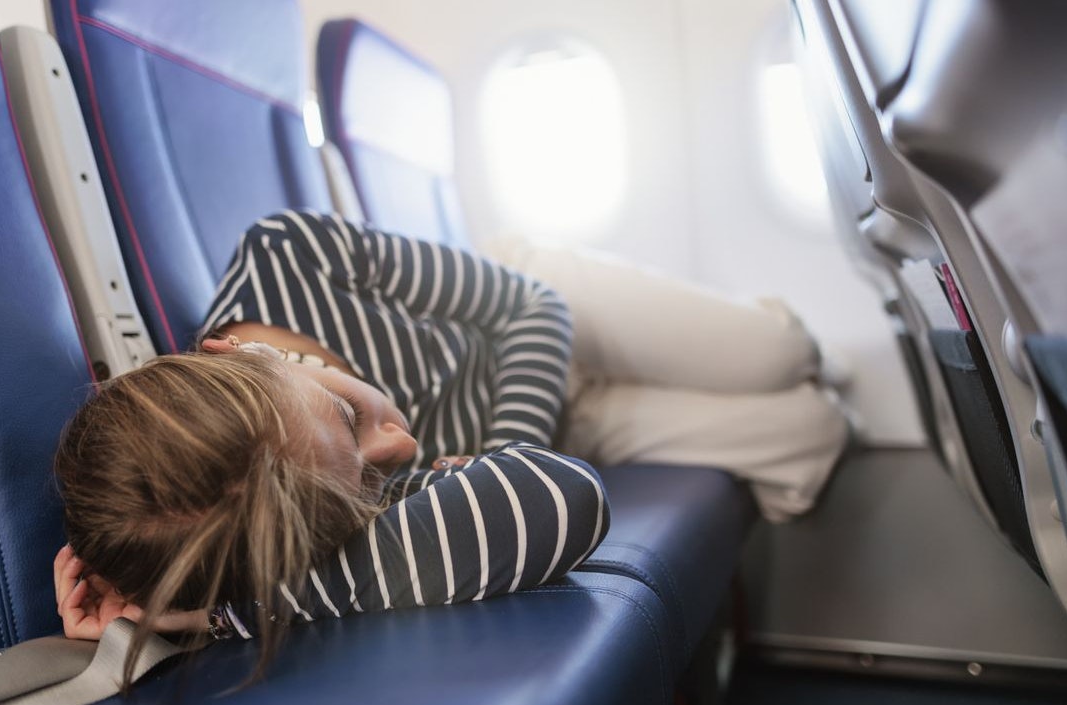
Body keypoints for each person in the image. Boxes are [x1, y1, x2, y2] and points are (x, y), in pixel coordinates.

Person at [51, 209, 845, 678]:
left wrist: (510, 443)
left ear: (239, 355)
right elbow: (550, 495)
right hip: (575, 430)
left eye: (347, 417)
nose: (396, 453)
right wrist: (214, 614)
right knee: (812, 432)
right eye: (367, 486)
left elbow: (532, 309)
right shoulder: (309, 504)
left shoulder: (289, 254)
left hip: (540, 323)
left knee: (782, 356)